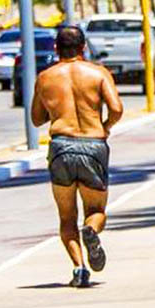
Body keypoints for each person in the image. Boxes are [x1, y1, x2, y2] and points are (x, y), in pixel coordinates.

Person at [32, 26, 123, 287]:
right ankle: (91, 230)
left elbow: (37, 118)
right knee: (96, 210)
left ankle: (79, 268)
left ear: (56, 49)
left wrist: (58, 109)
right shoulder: (98, 73)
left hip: (61, 146)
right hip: (93, 145)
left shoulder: (45, 78)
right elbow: (117, 108)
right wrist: (104, 127)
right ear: (83, 47)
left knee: (66, 217)